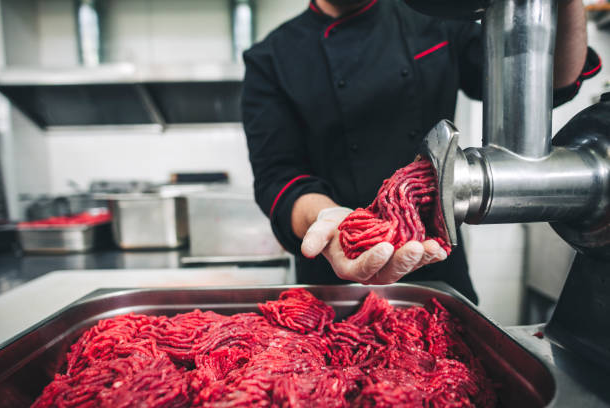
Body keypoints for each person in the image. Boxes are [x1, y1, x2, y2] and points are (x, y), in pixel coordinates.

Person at [241, 0, 601, 303]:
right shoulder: (271, 57)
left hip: (434, 262)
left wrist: (566, 2)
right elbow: (279, 178)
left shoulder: (434, 15)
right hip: (333, 273)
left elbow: (547, 82)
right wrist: (337, 224)